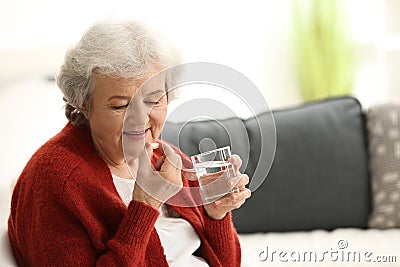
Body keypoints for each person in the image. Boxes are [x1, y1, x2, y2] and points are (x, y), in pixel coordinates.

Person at [8, 20, 251, 266]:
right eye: (120, 106)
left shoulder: (164, 158)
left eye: (154, 100)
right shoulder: (55, 179)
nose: (140, 119)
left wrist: (215, 214)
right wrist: (145, 205)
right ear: (84, 104)